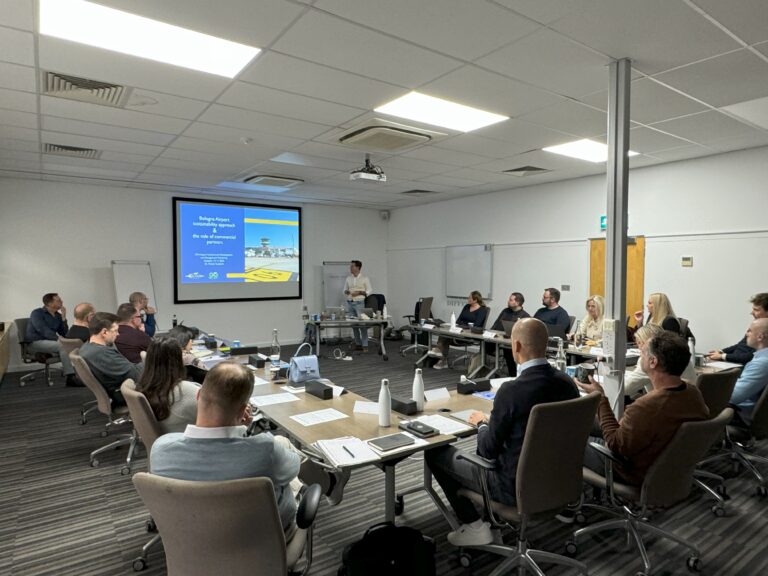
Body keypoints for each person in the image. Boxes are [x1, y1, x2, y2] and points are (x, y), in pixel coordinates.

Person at [425, 318, 579, 546]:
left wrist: (482, 423)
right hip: (557, 480)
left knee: (436, 453)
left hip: (512, 487)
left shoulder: (512, 391)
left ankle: (474, 525)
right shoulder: (567, 383)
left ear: (516, 346)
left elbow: (486, 450)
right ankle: (490, 521)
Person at [151, 362, 349, 537]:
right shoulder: (264, 450)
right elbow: (292, 468)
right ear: (242, 410)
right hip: (263, 537)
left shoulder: (161, 449)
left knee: (280, 446)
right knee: (284, 457)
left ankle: (331, 484)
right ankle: (331, 484)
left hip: (192, 539)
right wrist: (245, 430)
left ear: (198, 395)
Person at [578, 331, 709, 486]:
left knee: (566, 439)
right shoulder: (693, 393)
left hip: (629, 469)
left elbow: (615, 444)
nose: (640, 355)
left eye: (642, 352)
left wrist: (600, 397)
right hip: (665, 466)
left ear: (653, 361)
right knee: (580, 422)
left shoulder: (646, 407)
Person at [136, 337, 200, 434]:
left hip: (166, 437)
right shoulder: (187, 390)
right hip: (186, 439)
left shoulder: (144, 385)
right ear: (178, 360)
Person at [79, 312, 143, 407]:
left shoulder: (87, 346)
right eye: (115, 330)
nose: (118, 334)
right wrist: (151, 361)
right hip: (122, 393)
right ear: (104, 332)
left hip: (116, 387)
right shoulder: (101, 353)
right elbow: (136, 375)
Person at [26, 292, 77, 386]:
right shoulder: (37, 313)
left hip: (50, 343)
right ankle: (71, 377)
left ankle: (48, 354)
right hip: (34, 343)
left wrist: (63, 318)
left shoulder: (57, 315)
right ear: (49, 303)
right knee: (63, 346)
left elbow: (64, 333)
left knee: (67, 345)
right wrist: (59, 339)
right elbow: (42, 330)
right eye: (58, 300)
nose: (62, 301)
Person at [430, 291, 489, 370]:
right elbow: (458, 321)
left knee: (446, 337)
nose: (468, 299)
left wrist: (463, 325)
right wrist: (461, 326)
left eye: (470, 298)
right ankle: (441, 355)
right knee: (444, 333)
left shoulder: (482, 310)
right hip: (459, 330)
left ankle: (441, 357)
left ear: (475, 300)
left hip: (470, 335)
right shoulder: (467, 306)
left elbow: (476, 325)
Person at [707, 293, 768, 365]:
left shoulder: (765, 331)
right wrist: (721, 352)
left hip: (742, 366)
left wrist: (723, 356)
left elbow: (751, 356)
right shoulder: (757, 325)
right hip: (733, 363)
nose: (752, 313)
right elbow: (741, 345)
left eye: (756, 310)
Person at [729, 318, 768, 427]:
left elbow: (733, 397)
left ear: (760, 337)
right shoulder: (762, 357)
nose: (746, 334)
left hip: (740, 415)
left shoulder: (762, 363)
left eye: (749, 330)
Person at [484, 292, 530, 376]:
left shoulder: (525, 316)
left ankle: (512, 375)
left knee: (508, 351)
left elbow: (524, 334)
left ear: (517, 303)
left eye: (511, 300)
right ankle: (485, 370)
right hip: (497, 339)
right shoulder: (505, 311)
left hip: (511, 343)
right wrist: (489, 333)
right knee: (484, 343)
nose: (508, 301)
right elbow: (496, 325)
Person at [343, 260, 372, 351]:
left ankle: (365, 345)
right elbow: (344, 290)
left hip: (359, 303)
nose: (350, 268)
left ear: (358, 267)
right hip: (350, 302)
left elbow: (369, 291)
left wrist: (359, 292)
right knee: (354, 325)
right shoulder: (348, 278)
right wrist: (347, 292)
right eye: (351, 266)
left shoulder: (365, 278)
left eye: (352, 266)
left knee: (362, 324)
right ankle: (358, 344)